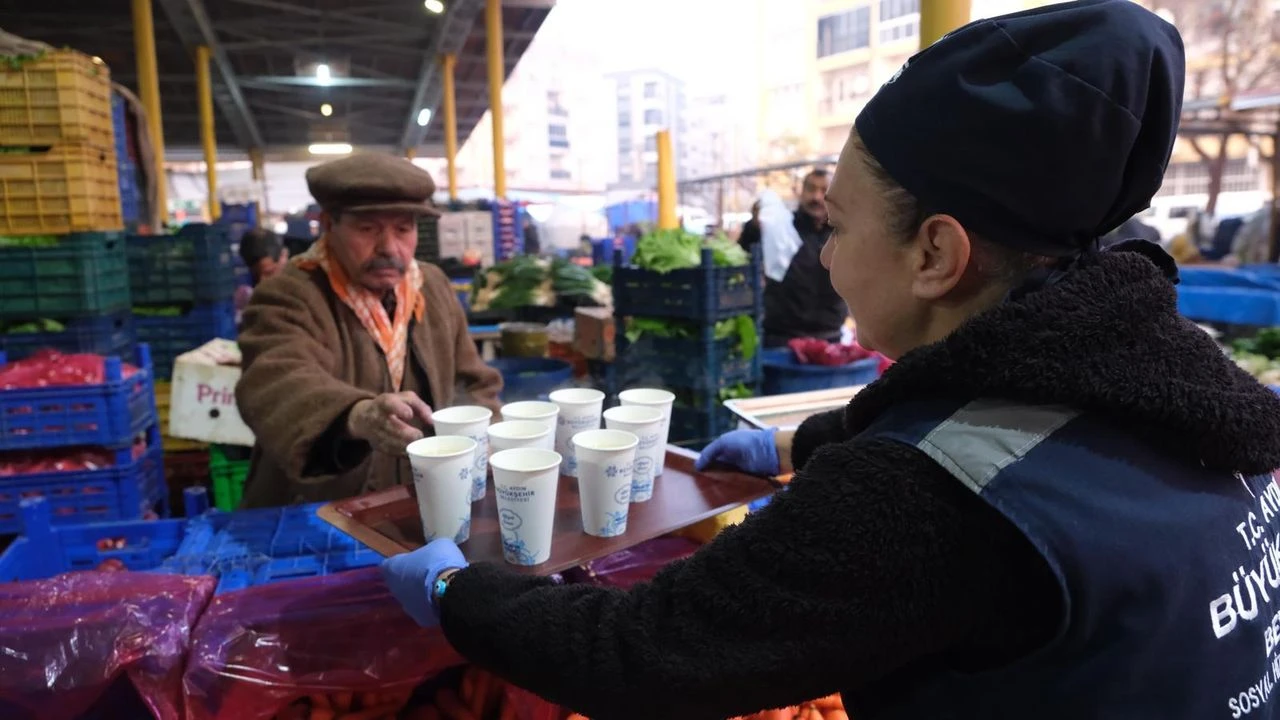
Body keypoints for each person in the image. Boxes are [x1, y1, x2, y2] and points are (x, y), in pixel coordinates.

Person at [382, 3, 1280, 718]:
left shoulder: (914, 501)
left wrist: (461, 590)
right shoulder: (1192, 385)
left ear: (936, 255)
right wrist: (806, 443)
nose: (822, 259)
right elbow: (1016, 423)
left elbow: (643, 654)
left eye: (837, 228)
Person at [236, 153, 502, 507]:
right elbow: (276, 380)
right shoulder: (290, 293)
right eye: (368, 229)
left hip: (419, 501)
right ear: (329, 225)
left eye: (403, 229)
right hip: (320, 511)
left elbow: (473, 382)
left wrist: (481, 438)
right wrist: (358, 416)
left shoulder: (431, 286)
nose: (389, 248)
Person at [762, 168, 847, 347]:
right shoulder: (783, 228)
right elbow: (750, 243)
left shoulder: (845, 233)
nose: (816, 197)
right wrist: (755, 225)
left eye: (824, 190)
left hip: (830, 337)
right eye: (811, 189)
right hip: (781, 339)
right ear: (801, 192)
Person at [234, 227, 289, 321]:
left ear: (284, 256)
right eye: (256, 275)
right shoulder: (246, 291)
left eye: (269, 272)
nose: (262, 281)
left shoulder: (304, 285)